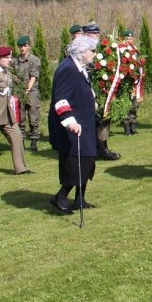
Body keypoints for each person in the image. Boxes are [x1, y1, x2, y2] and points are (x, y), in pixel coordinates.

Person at [48, 35, 99, 214]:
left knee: (89, 158)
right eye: (92, 51)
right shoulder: (68, 68)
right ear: (82, 52)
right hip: (72, 125)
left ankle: (79, 199)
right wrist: (70, 121)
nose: (94, 54)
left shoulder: (79, 67)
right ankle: (60, 197)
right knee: (78, 161)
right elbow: (60, 98)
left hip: (85, 121)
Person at [0, 46, 32, 175]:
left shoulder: (7, 72)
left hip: (8, 115)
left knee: (17, 137)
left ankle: (21, 168)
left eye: (10, 56)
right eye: (7, 57)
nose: (10, 59)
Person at [82, 22, 120, 160]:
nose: (97, 35)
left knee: (103, 118)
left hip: (102, 89)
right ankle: (97, 149)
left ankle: (102, 148)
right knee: (92, 120)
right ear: (86, 34)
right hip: (88, 88)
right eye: (93, 33)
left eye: (98, 33)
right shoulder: (80, 48)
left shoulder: (101, 48)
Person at [12, 35, 41, 152]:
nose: (22, 48)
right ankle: (21, 141)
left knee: (33, 116)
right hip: (19, 90)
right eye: (20, 46)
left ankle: (34, 140)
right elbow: (13, 74)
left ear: (29, 46)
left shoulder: (34, 60)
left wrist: (27, 89)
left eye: (25, 46)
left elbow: (33, 76)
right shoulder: (15, 61)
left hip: (31, 90)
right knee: (20, 117)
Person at [120, 29, 142, 135]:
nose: (129, 40)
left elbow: (139, 64)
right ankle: (126, 127)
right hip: (125, 81)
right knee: (126, 103)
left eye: (130, 38)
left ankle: (133, 125)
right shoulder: (121, 50)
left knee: (134, 104)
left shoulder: (135, 50)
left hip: (134, 81)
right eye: (127, 39)